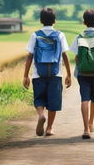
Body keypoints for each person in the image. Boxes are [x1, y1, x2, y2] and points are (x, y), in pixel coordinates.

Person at [23, 7, 71, 136]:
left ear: (41, 20)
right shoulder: (60, 35)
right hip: (56, 74)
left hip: (38, 74)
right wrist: (69, 75)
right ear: (54, 20)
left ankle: (40, 115)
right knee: (53, 102)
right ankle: (49, 128)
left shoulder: (35, 35)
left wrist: (26, 75)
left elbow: (30, 56)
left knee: (39, 99)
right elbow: (65, 55)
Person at [70, 9, 94, 139]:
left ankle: (86, 129)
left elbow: (76, 57)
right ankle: (91, 122)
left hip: (82, 73)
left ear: (83, 22)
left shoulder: (79, 37)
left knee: (84, 99)